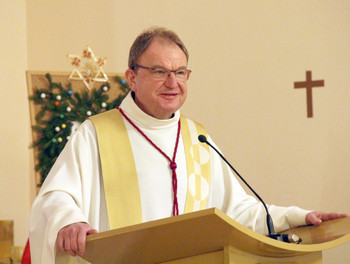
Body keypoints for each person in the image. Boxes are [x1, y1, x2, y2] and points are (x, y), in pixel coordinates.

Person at [29, 27, 348, 263]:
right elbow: (55, 196)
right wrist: (69, 220)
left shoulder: (198, 137)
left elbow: (236, 211)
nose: (173, 82)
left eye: (180, 72)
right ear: (131, 77)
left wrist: (298, 217)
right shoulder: (95, 134)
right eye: (159, 71)